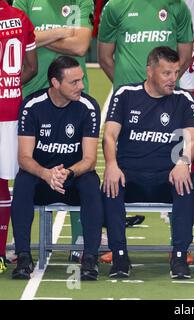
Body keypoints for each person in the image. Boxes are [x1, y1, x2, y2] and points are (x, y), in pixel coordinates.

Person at [102, 46, 194, 279]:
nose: (173, 79)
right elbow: (109, 135)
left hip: (167, 175)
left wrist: (183, 162)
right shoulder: (126, 94)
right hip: (130, 175)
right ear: (150, 71)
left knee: (186, 185)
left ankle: (179, 256)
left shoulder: (183, 99)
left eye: (176, 73)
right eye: (166, 73)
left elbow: (193, 138)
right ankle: (120, 256)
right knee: (110, 186)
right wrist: (111, 165)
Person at [13, 0, 96, 262]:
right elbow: (18, 38)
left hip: (71, 93)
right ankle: (23, 241)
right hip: (33, 93)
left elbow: (81, 46)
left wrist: (36, 37)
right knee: (29, 165)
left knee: (74, 159)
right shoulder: (25, 1)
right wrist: (63, 32)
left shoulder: (81, 1)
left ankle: (80, 240)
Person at [10, 56, 103, 281]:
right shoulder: (32, 106)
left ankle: (90, 257)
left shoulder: (88, 107)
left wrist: (68, 172)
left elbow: (89, 159)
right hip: (41, 177)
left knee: (91, 183)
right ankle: (23, 256)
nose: (81, 86)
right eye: (74, 82)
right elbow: (24, 157)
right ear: (55, 83)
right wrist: (46, 174)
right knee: (22, 182)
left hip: (73, 177)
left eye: (81, 80)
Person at [0, 0, 37, 273]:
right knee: (8, 181)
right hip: (12, 109)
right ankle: (4, 253)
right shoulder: (20, 17)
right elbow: (31, 68)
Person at [98, 0, 193, 90]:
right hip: (128, 97)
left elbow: (185, 59)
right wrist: (125, 86)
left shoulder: (178, 6)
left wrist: (164, 84)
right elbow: (104, 58)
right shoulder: (115, 5)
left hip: (164, 98)